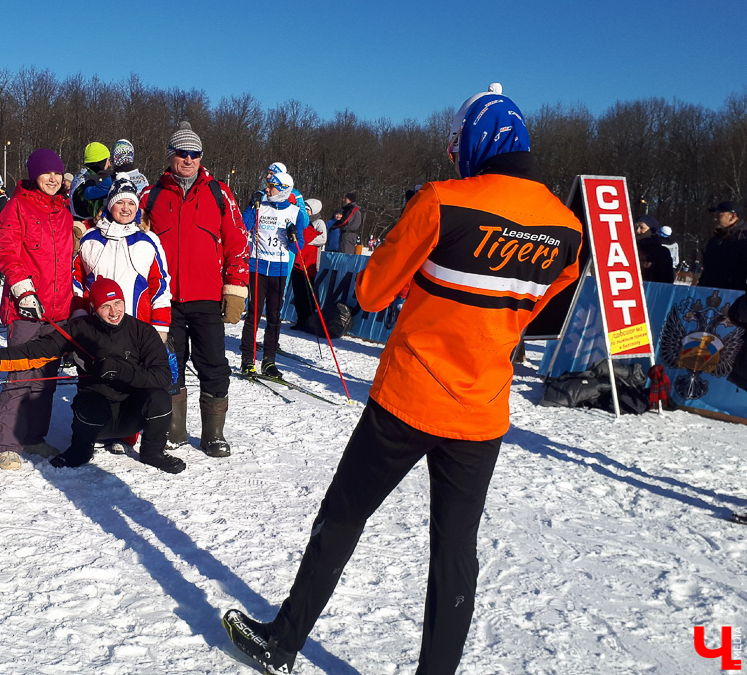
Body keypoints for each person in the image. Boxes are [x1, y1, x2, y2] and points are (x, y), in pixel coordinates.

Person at [223, 83, 585, 675]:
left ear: (473, 143)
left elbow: (369, 292)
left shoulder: (443, 201)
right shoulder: (569, 228)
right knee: (455, 552)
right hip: (483, 411)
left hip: (409, 398)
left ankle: (284, 641)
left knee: (343, 515)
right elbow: (540, 319)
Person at [0, 277, 186, 473]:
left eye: (118, 303)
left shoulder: (142, 331)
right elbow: (36, 350)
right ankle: (80, 451)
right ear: (93, 307)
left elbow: (162, 377)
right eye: (105, 306)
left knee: (159, 398)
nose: (114, 311)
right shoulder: (80, 329)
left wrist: (120, 370)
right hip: (96, 416)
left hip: (131, 414)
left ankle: (153, 453)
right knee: (90, 404)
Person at [142, 121, 249, 457]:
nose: (189, 159)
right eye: (182, 153)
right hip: (165, 300)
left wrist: (235, 287)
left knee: (214, 365)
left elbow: (237, 242)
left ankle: (213, 434)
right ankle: (175, 429)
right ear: (171, 155)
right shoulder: (151, 195)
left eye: (195, 154)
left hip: (206, 297)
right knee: (170, 364)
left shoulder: (219, 192)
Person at [0, 148, 74, 470]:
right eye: (46, 173)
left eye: (57, 173)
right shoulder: (17, 207)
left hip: (58, 309)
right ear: (33, 175)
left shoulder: (65, 213)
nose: (53, 179)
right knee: (21, 375)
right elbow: (7, 253)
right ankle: (7, 444)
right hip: (26, 308)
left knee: (46, 380)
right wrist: (22, 289)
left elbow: (68, 263)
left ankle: (35, 438)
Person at [73, 178, 171, 335]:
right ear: (111, 204)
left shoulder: (148, 240)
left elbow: (160, 286)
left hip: (137, 327)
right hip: (95, 327)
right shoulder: (90, 237)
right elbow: (76, 279)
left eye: (131, 203)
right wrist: (79, 315)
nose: (126, 208)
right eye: (120, 203)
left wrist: (160, 326)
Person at [240, 170, 307, 379]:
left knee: (274, 318)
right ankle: (248, 361)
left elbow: (299, 247)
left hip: (278, 269)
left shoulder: (295, 212)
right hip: (257, 267)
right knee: (253, 315)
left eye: (272, 187)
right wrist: (252, 204)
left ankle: (269, 361)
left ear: (283, 190)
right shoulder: (261, 205)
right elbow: (243, 227)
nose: (267, 190)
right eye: (267, 186)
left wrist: (293, 237)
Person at [290, 198, 327, 332]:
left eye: (307, 209)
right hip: (298, 262)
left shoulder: (319, 223)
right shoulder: (301, 221)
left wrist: (306, 241)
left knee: (308, 294)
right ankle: (300, 320)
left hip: (310, 262)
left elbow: (323, 238)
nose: (305, 212)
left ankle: (309, 320)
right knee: (298, 293)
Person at [696, 201, 747, 291]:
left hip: (734, 296)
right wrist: (700, 289)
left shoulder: (742, 240)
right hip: (709, 296)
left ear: (733, 216)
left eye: (719, 215)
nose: (715, 219)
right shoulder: (714, 241)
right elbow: (707, 271)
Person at [70, 142, 112, 221]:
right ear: (101, 161)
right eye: (108, 160)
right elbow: (95, 212)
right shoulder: (85, 183)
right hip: (82, 227)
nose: (109, 165)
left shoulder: (85, 176)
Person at [634, 214, 675, 284]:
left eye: (642, 228)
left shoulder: (661, 252)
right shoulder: (629, 249)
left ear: (651, 231)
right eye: (635, 227)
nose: (637, 231)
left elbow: (666, 279)